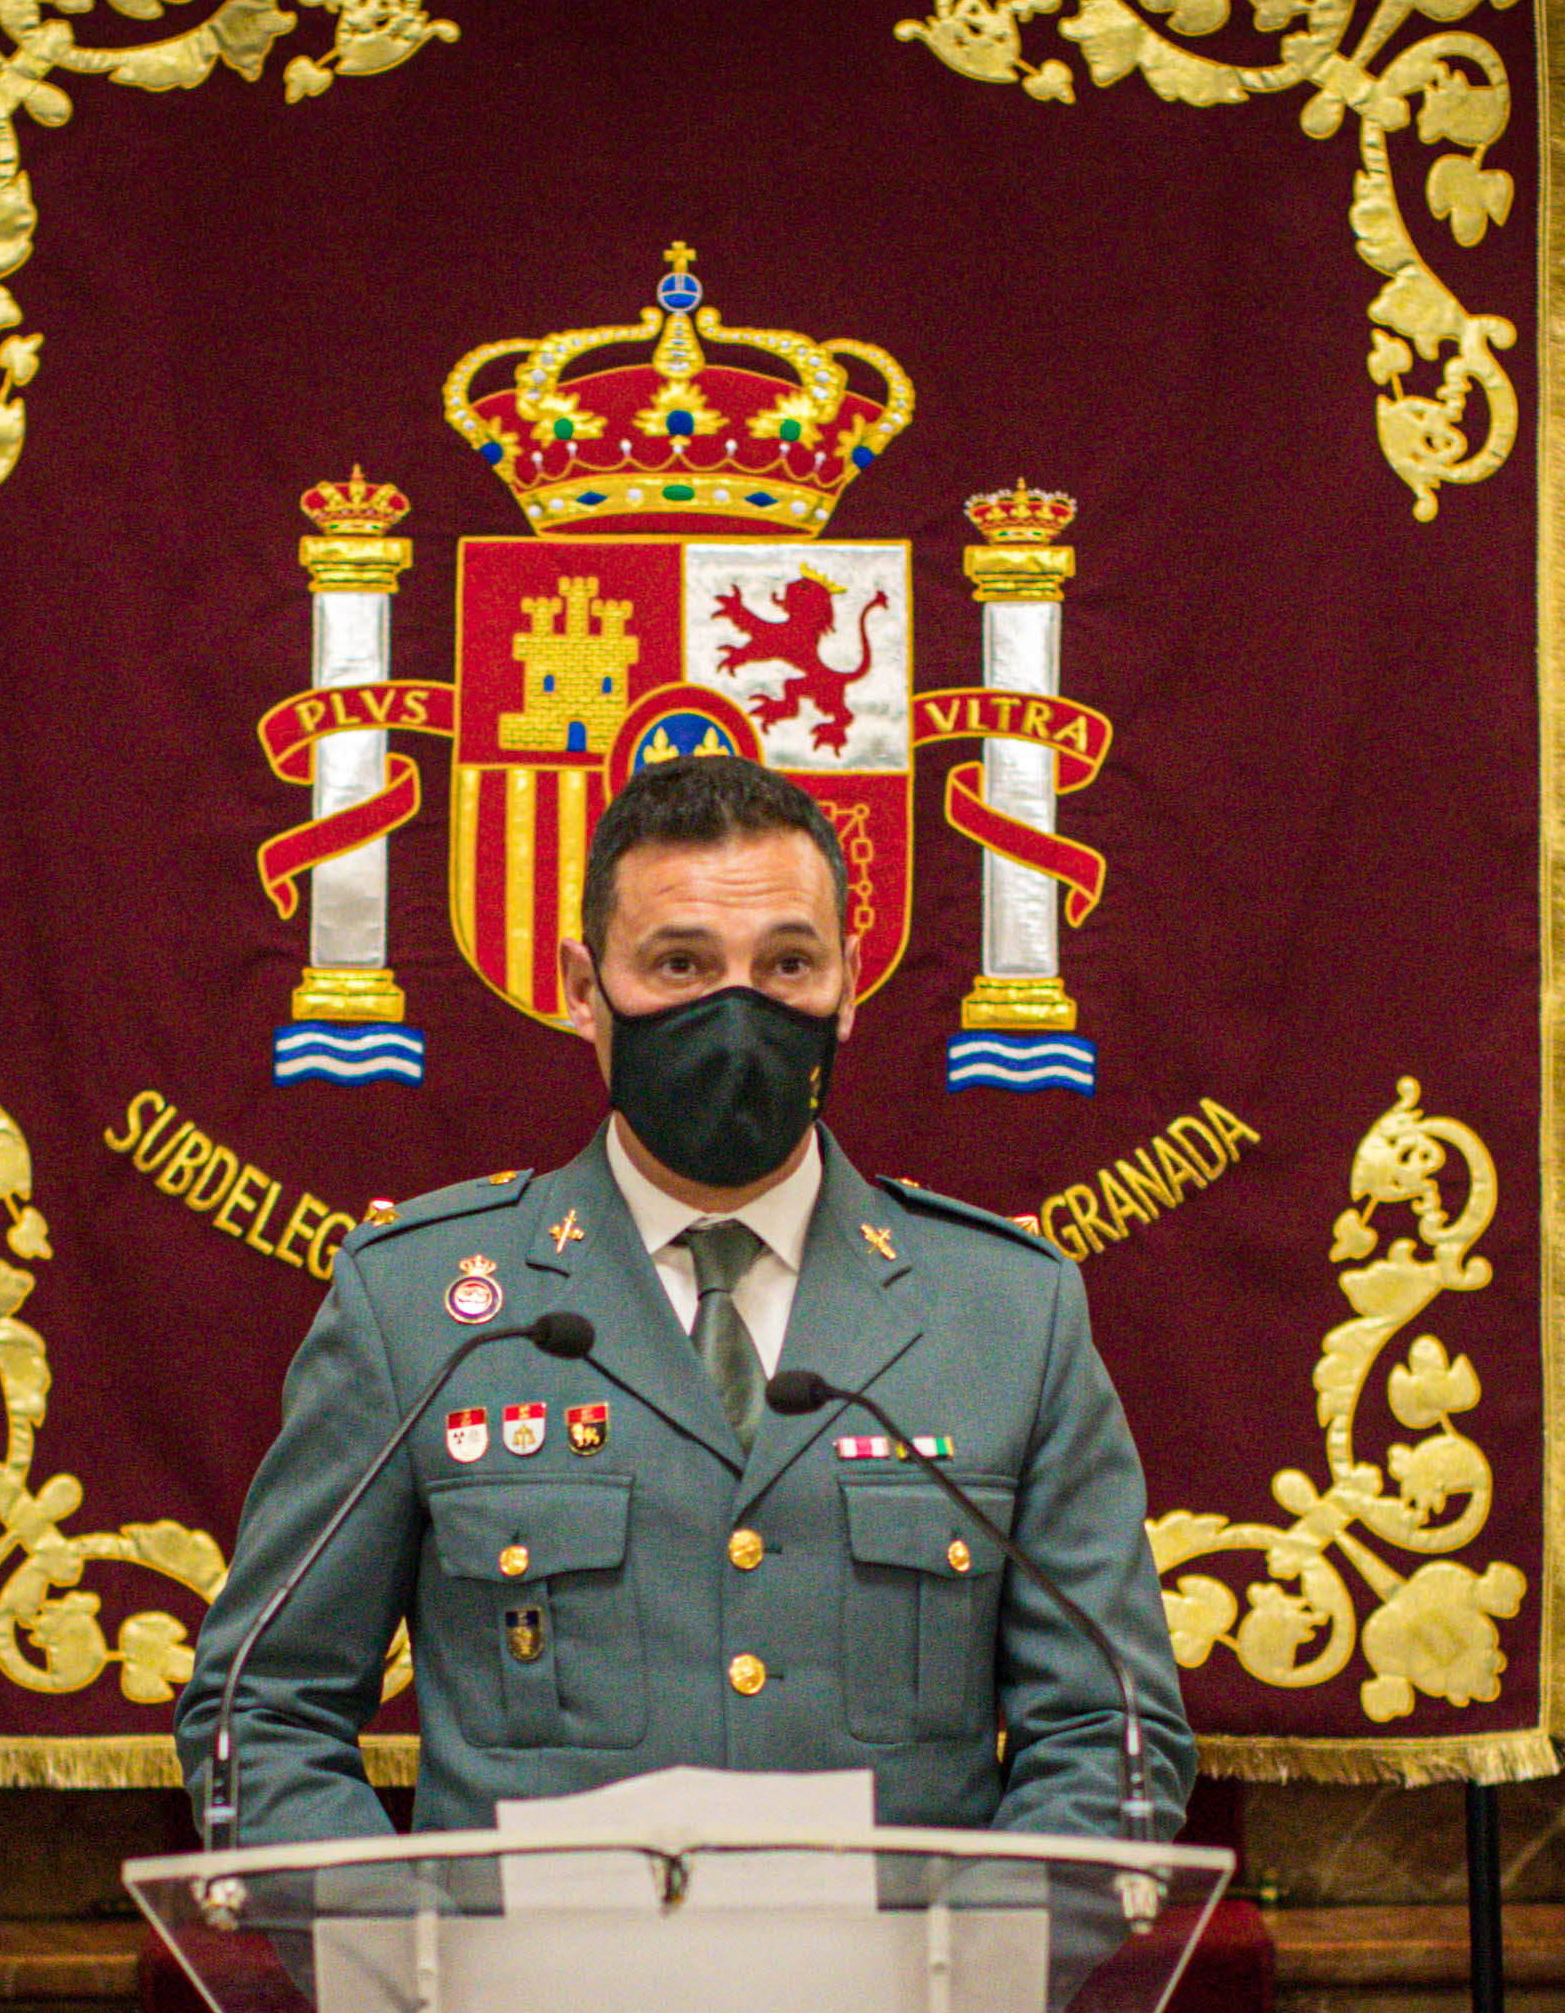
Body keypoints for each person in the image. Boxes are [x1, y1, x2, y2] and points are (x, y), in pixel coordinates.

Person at [183, 750, 1191, 1845]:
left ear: (848, 984)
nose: (735, 1010)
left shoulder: (1006, 1313)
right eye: (679, 964)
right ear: (583, 989)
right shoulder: (418, 1309)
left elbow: (1111, 1735)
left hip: (908, 1958)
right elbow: (260, 1713)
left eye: (787, 964)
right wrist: (394, 1941)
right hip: (534, 1959)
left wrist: (991, 1939)